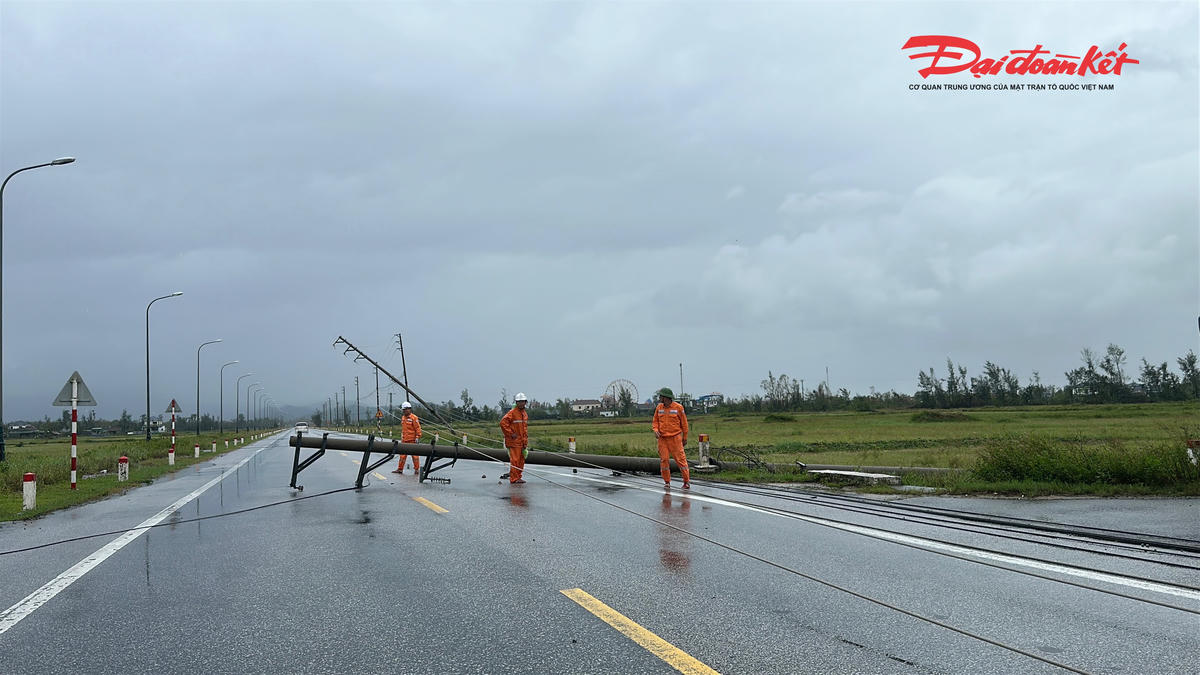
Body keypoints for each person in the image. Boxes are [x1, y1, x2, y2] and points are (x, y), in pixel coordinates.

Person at [652, 387, 690, 489]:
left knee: (680, 460)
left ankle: (686, 482)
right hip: (662, 439)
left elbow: (684, 424)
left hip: (675, 438)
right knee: (664, 460)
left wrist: (685, 437)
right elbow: (655, 421)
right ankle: (667, 482)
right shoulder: (659, 407)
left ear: (666, 397)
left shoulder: (678, 408)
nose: (659, 398)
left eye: (661, 396)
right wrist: (655, 430)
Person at [499, 392, 530, 484]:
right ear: (516, 402)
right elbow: (503, 423)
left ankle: (518, 477)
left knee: (521, 460)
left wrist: (525, 440)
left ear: (525, 402)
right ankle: (514, 478)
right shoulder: (512, 413)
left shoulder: (524, 413)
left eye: (523, 401)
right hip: (514, 441)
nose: (522, 403)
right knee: (515, 460)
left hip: (522, 441)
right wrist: (511, 434)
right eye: (520, 402)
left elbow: (524, 429)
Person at [393, 401, 422, 474]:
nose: (404, 411)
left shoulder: (414, 418)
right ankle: (400, 469)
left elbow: (418, 428)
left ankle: (417, 469)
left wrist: (417, 437)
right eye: (403, 410)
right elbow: (404, 429)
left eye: (405, 410)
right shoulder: (403, 418)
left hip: (412, 440)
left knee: (415, 456)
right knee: (402, 456)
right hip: (404, 440)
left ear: (409, 409)